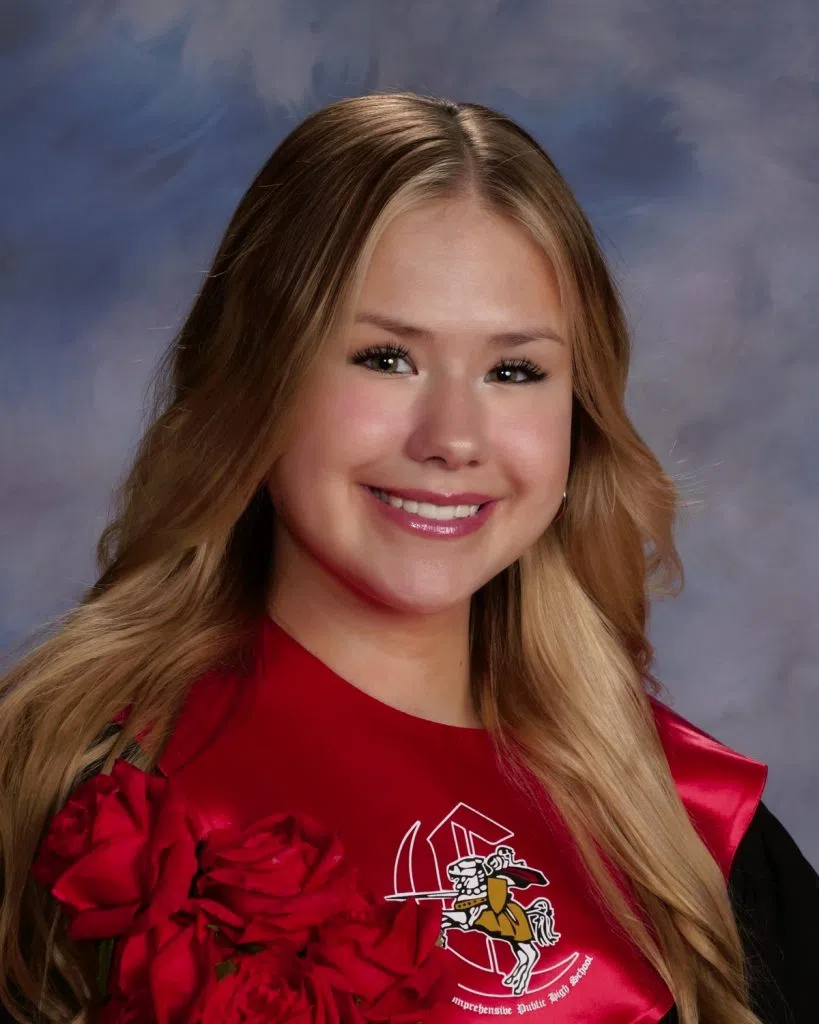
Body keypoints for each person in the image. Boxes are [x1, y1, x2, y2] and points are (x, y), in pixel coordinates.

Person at [0, 91, 815, 1024]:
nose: (452, 439)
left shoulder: (683, 829)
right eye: (385, 358)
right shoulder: (68, 788)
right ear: (258, 380)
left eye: (514, 371)